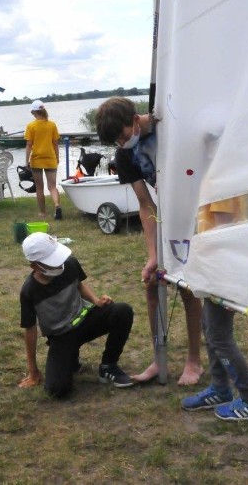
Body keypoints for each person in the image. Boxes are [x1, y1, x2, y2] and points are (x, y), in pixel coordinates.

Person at [95, 96, 203, 386]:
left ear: (134, 120)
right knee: (153, 284)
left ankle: (194, 361)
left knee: (189, 288)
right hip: (167, 219)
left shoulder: (168, 126)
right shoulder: (124, 156)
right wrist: (153, 254)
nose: (120, 144)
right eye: (114, 142)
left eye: (122, 136)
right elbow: (146, 205)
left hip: (196, 211)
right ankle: (160, 358)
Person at [180, 201, 248, 422]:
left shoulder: (220, 183)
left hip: (222, 272)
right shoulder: (213, 182)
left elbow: (224, 233)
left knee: (219, 336)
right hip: (215, 271)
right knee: (210, 329)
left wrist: (224, 283)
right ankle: (220, 389)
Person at [18, 232, 135, 398]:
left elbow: (79, 286)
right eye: (52, 262)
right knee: (56, 390)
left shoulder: (70, 264)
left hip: (85, 319)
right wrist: (33, 371)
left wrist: (96, 301)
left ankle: (108, 365)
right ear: (35, 266)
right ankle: (71, 359)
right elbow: (30, 330)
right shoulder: (29, 291)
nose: (59, 265)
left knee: (122, 311)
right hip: (61, 336)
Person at [25, 99, 62, 219]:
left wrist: (27, 161)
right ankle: (57, 205)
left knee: (39, 187)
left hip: (37, 159)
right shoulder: (52, 125)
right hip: (50, 159)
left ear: (33, 112)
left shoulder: (31, 126)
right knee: (52, 186)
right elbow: (55, 143)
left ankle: (42, 213)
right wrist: (57, 158)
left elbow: (29, 145)